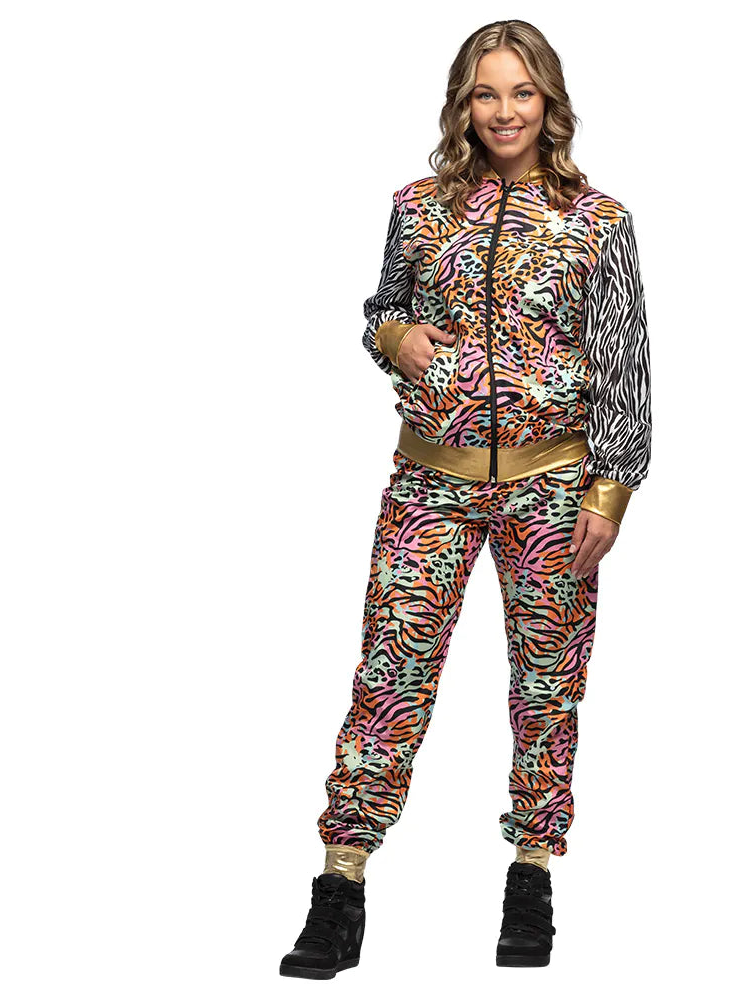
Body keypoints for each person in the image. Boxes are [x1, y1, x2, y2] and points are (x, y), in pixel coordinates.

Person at [280, 18, 651, 979]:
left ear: (549, 101)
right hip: (430, 480)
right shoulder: (417, 208)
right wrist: (392, 337)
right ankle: (340, 887)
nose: (504, 112)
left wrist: (609, 493)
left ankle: (531, 875)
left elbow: (625, 369)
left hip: (553, 484)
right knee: (389, 675)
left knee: (547, 683)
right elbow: (384, 309)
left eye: (522, 92)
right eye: (487, 93)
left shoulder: (598, 222)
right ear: (463, 102)